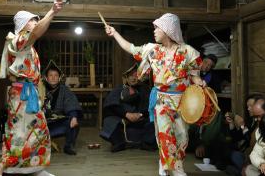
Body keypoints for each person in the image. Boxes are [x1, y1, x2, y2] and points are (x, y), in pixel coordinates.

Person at [105, 13, 204, 176]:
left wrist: (199, 81)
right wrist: (114, 33)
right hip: (162, 100)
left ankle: (175, 165)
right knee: (164, 134)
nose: (155, 31)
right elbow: (131, 48)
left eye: (157, 27)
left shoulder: (188, 52)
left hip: (182, 100)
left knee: (182, 136)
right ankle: (168, 168)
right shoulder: (153, 50)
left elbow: (194, 74)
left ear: (168, 29)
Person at [0, 0, 63, 176]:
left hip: (27, 93)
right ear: (23, 24)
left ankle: (34, 169)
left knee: (35, 130)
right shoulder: (18, 40)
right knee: (20, 132)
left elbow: (36, 33)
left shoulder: (27, 44)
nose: (35, 22)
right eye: (32, 20)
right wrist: (52, 11)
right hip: (21, 95)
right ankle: (0, 168)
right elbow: (37, 32)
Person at [100, 63, 157, 153]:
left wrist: (139, 114)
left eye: (136, 75)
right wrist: (126, 114)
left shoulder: (145, 89)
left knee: (155, 122)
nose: (134, 78)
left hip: (141, 118)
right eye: (131, 76)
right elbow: (111, 105)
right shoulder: (119, 88)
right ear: (126, 78)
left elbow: (151, 107)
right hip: (122, 118)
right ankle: (119, 142)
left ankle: (145, 143)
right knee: (109, 120)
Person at [43, 60, 82, 155]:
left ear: (59, 78)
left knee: (73, 122)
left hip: (57, 122)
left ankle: (68, 146)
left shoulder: (65, 90)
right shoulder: (40, 88)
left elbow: (71, 103)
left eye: (56, 75)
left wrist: (73, 116)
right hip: (42, 123)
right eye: (50, 75)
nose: (53, 78)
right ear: (46, 78)